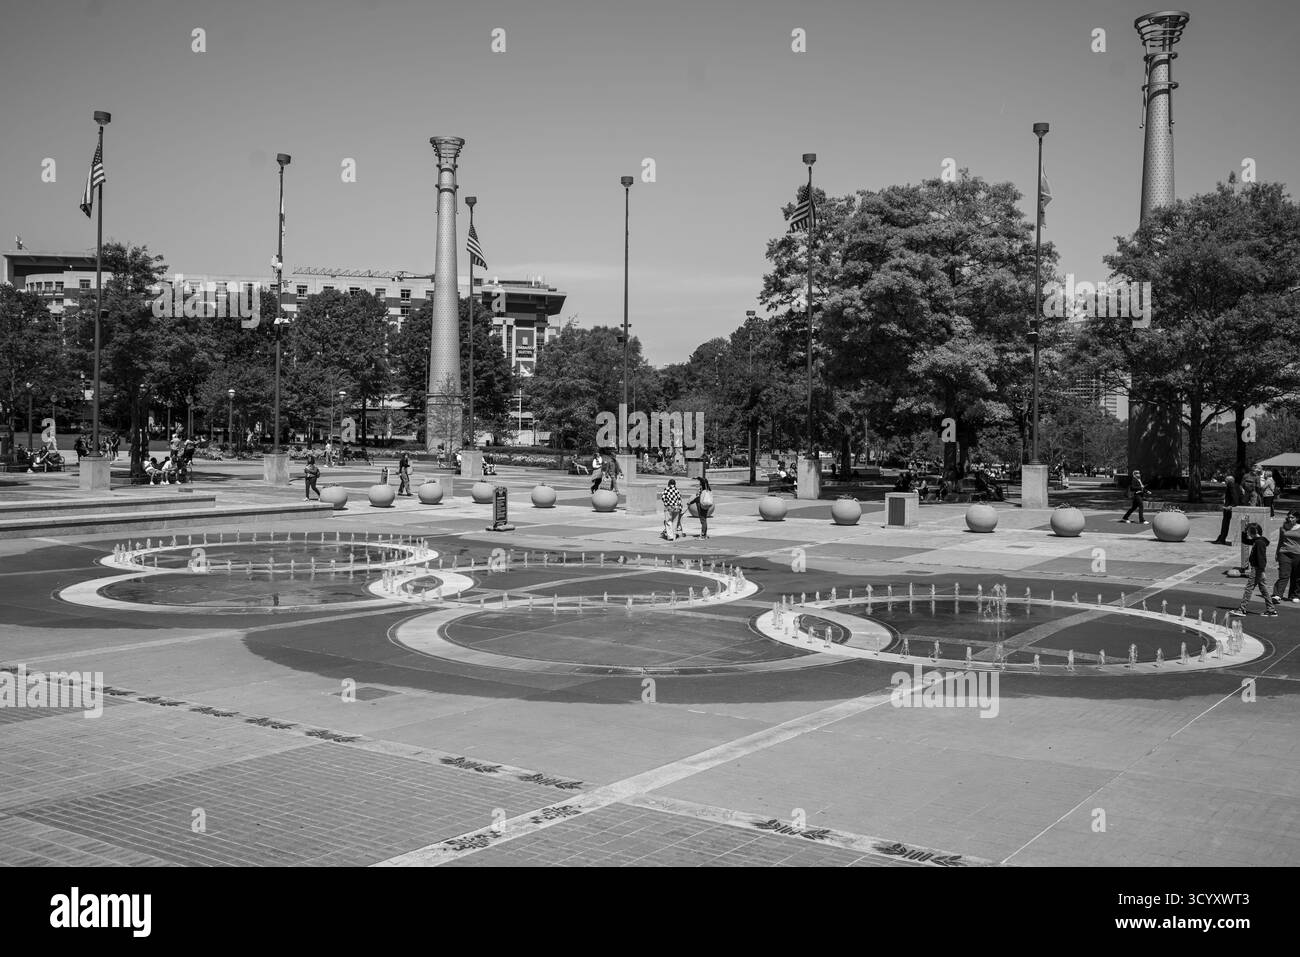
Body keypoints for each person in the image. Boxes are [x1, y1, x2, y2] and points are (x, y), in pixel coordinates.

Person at [1232, 522, 1279, 617]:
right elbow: (1245, 541)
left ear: (1255, 531)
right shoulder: (1257, 540)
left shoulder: (1259, 542)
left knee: (1249, 588)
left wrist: (1261, 571)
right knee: (1263, 588)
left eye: (1249, 531)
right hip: (1258, 568)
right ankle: (1271, 610)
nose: (1248, 533)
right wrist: (1244, 531)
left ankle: (1242, 609)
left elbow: (1261, 558)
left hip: (1257, 568)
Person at [1273, 511, 1300, 603]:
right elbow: (1280, 541)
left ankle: (1295, 595)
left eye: (1293, 517)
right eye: (1289, 517)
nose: (1290, 519)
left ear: (1297, 518)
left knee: (1296, 576)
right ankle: (1277, 595)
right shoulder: (1283, 527)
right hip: (1284, 553)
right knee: (1284, 574)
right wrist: (1277, 553)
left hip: (1298, 554)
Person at [1213, 469, 1242, 545]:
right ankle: (1221, 537)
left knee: (1225, 523)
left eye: (1226, 480)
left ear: (1229, 481)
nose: (1225, 481)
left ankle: (1222, 539)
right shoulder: (1236, 485)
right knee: (1225, 523)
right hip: (1230, 506)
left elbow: (1234, 496)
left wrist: (1231, 506)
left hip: (1229, 508)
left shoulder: (1230, 485)